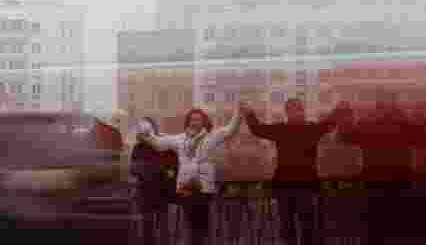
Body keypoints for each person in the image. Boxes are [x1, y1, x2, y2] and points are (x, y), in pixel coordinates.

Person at [240, 98, 351, 245]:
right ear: (287, 113)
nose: (296, 113)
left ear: (303, 111)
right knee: (288, 227)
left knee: (308, 226)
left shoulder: (311, 129)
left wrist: (339, 109)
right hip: (285, 187)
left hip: (306, 186)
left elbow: (329, 123)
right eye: (292, 110)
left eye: (298, 109)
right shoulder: (281, 129)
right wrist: (249, 113)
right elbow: (258, 129)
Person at [138, 106, 243, 245]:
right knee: (191, 224)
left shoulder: (211, 137)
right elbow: (158, 144)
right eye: (192, 119)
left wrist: (239, 113)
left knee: (201, 225)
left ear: (204, 121)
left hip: (204, 186)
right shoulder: (179, 139)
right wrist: (146, 133)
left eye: (198, 119)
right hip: (185, 186)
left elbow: (230, 130)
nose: (195, 122)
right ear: (188, 122)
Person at [338, 91, 426, 245]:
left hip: (375, 182)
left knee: (374, 227)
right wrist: (421, 118)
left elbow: (346, 137)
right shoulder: (401, 120)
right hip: (398, 181)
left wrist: (344, 118)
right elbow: (422, 138)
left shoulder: (369, 121)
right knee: (396, 226)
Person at [131, 117, 176, 245]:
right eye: (142, 129)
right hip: (146, 193)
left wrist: (166, 172)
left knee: (164, 228)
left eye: (148, 128)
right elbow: (134, 169)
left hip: (163, 193)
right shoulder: (138, 148)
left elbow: (171, 168)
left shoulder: (164, 145)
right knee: (147, 226)